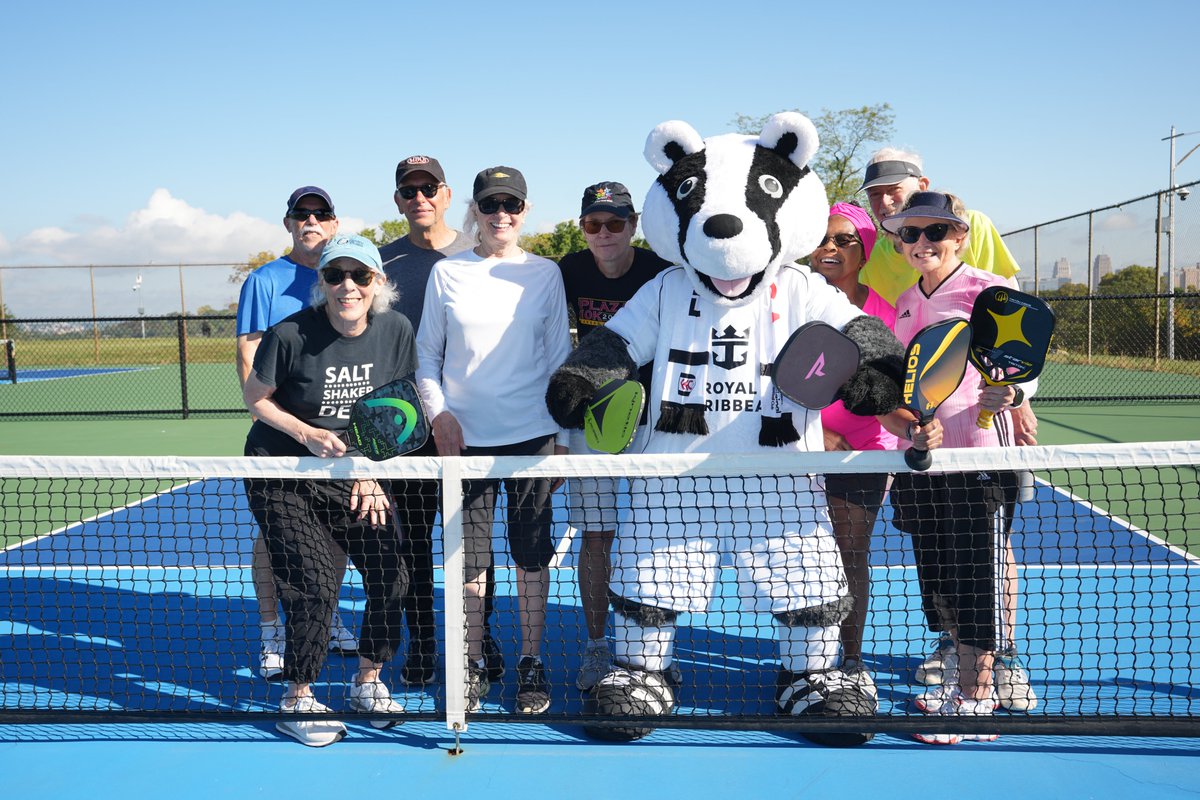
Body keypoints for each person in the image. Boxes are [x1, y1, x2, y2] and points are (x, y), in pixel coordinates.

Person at [859, 151, 1039, 712]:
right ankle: (961, 678)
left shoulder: (990, 293)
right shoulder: (907, 302)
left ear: (959, 236)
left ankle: (977, 694)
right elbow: (914, 383)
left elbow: (1020, 369)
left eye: (936, 231)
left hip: (980, 456)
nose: (922, 242)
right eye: (910, 234)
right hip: (930, 460)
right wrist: (913, 429)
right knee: (938, 571)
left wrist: (1011, 395)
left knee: (976, 574)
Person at [242, 234, 414, 747]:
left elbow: (395, 410)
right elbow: (256, 399)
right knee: (314, 581)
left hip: (352, 470)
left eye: (359, 276)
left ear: (377, 282)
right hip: (282, 470)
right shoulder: (291, 332)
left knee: (392, 571)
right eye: (336, 275)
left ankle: (367, 682)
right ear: (323, 282)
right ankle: (297, 696)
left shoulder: (396, 330)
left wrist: (370, 472)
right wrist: (308, 434)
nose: (347, 286)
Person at [416, 166, 572, 715]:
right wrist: (440, 416)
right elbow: (426, 356)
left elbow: (558, 362)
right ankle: (473, 662)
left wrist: (561, 440)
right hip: (464, 445)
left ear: (524, 210)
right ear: (475, 212)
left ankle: (531, 661)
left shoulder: (546, 274)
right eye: (490, 205)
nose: (500, 214)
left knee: (531, 558)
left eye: (511, 204)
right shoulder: (447, 274)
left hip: (533, 438)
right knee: (469, 561)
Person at [380, 155, 503, 687]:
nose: (420, 198)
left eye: (428, 188)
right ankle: (424, 642)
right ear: (399, 201)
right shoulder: (380, 263)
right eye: (409, 191)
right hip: (407, 429)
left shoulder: (479, 254)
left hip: (471, 425)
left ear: (448, 195)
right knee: (414, 543)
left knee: (475, 542)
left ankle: (481, 638)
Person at [235, 186, 357, 681]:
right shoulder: (263, 282)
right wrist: (289, 426)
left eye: (320, 213)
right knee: (274, 538)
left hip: (338, 438)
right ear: (288, 223)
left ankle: (323, 621)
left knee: (339, 530)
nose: (311, 220)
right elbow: (249, 361)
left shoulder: (345, 276)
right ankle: (271, 633)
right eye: (301, 214)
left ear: (333, 222)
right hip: (283, 438)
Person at [557, 181, 671, 691]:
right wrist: (560, 429)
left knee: (656, 535)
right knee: (597, 534)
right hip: (590, 422)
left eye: (616, 223)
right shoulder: (567, 271)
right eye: (593, 223)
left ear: (634, 225)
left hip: (653, 422)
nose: (604, 233)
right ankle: (599, 645)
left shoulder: (662, 272)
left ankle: (652, 652)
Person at [809, 202, 913, 695]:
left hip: (864, 454)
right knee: (801, 559)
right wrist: (816, 434)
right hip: (793, 453)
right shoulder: (790, 304)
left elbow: (890, 392)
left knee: (851, 553)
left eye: (843, 240)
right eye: (822, 238)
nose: (830, 248)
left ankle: (849, 660)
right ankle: (806, 661)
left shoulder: (885, 314)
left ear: (864, 250)